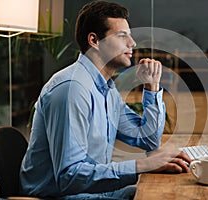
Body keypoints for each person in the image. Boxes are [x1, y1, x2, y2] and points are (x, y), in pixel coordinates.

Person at [20, 1, 191, 199]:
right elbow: (69, 177)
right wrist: (142, 165)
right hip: (57, 196)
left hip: (88, 190)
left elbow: (148, 139)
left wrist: (151, 87)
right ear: (94, 40)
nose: (132, 43)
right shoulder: (72, 89)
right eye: (122, 35)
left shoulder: (106, 89)